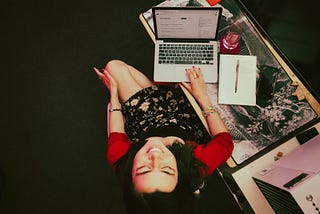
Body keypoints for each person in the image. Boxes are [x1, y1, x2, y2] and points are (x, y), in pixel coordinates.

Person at [94, 60, 234, 214]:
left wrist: (114, 93)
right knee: (193, 74)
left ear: (130, 175)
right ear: (181, 176)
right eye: (167, 169)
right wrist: (202, 97)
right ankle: (162, 87)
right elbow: (225, 142)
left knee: (113, 67)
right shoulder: (196, 165)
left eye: (143, 169)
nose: (155, 155)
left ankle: (161, 87)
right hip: (188, 119)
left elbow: (117, 134)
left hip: (147, 121)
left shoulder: (120, 159)